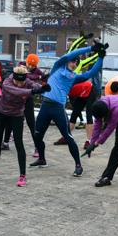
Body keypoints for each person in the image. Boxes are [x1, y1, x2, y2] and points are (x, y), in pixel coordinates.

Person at [30, 41, 105, 177]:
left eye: (76, 62)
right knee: (37, 135)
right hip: (46, 106)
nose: (74, 63)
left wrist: (100, 56)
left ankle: (78, 165)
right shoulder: (57, 67)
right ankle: (41, 159)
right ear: (67, 61)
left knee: (68, 137)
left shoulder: (73, 77)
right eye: (72, 61)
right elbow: (71, 54)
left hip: (58, 108)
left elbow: (91, 73)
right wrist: (91, 48)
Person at [0, 65, 49, 187]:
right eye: (16, 81)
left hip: (16, 116)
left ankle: (22, 175)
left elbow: (33, 85)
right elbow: (17, 91)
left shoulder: (26, 81)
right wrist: (32, 91)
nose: (18, 83)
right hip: (1, 113)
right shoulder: (7, 82)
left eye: (21, 81)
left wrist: (42, 87)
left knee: (19, 143)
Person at [3, 53, 43, 152]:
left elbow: (34, 82)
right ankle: (5, 143)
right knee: (9, 121)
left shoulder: (38, 72)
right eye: (29, 64)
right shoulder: (20, 66)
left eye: (33, 65)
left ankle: (37, 147)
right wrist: (35, 77)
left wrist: (38, 79)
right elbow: (16, 77)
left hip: (27, 99)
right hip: (15, 99)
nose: (31, 66)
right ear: (26, 61)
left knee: (31, 123)